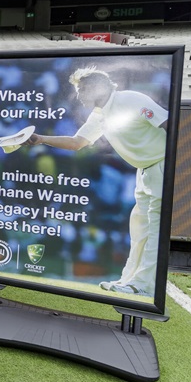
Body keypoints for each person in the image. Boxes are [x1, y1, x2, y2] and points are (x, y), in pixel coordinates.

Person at [24, 66, 167, 296]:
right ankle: (128, 281)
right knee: (140, 229)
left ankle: (144, 286)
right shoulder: (99, 114)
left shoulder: (130, 99)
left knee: (152, 229)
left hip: (163, 165)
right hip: (146, 170)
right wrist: (40, 139)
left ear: (98, 87)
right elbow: (76, 142)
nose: (79, 95)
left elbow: (168, 124)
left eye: (82, 89)